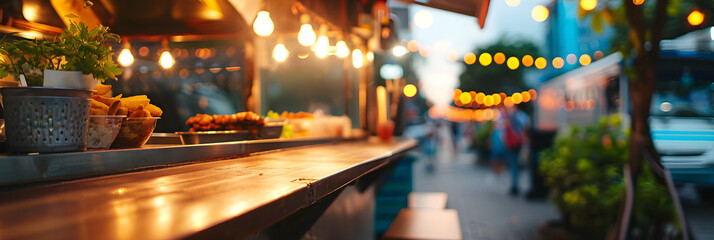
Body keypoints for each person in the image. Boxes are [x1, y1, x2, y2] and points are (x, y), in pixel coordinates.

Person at [490, 105, 529, 195]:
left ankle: (514, 185)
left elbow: (500, 129)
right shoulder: (523, 116)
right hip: (517, 143)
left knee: (513, 164)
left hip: (511, 144)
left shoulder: (509, 117)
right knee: (516, 164)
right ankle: (515, 184)